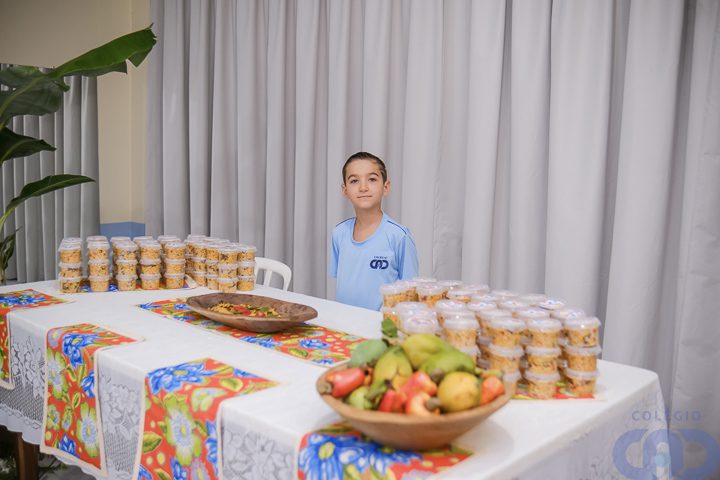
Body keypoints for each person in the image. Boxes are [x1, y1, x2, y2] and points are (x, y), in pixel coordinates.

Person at [329, 152, 419, 310]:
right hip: (343, 321)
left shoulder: (399, 236)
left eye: (372, 179)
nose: (363, 187)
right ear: (345, 190)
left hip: (382, 323)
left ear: (386, 187)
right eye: (354, 181)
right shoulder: (339, 233)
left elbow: (411, 292)